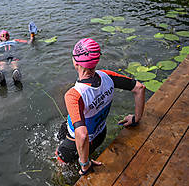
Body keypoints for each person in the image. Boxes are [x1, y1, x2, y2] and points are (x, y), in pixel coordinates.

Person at [55, 38, 145, 176]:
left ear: (75, 62)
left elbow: (82, 135)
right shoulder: (107, 76)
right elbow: (139, 88)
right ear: (96, 61)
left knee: (59, 164)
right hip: (100, 134)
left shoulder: (74, 95)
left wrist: (85, 165)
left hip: (76, 143)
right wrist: (136, 118)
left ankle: (77, 167)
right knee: (62, 129)